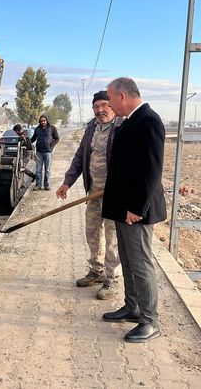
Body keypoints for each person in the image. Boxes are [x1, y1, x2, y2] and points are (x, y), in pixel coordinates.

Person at [101, 77, 166, 344]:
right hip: (122, 209)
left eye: (111, 99)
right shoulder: (130, 121)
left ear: (123, 96)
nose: (109, 104)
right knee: (127, 261)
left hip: (135, 211)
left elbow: (151, 170)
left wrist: (137, 208)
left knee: (141, 263)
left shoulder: (149, 121)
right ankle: (132, 307)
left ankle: (150, 320)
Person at [56, 90, 121, 300]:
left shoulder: (120, 128)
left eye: (104, 105)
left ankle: (112, 280)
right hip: (93, 193)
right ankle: (96, 271)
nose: (100, 110)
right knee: (93, 233)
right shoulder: (91, 129)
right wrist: (67, 182)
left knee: (112, 239)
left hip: (114, 195)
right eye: (96, 107)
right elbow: (79, 157)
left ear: (112, 106)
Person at [30, 115, 59, 191]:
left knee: (47, 170)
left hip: (48, 152)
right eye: (41, 121)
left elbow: (57, 138)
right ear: (39, 122)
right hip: (39, 152)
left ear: (47, 120)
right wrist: (28, 143)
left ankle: (47, 185)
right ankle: (38, 185)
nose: (42, 122)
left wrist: (51, 146)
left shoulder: (52, 128)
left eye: (44, 120)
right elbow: (33, 138)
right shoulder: (37, 129)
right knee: (38, 169)